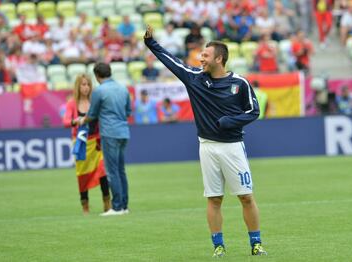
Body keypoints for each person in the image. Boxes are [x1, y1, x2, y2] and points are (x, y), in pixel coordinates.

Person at [144, 25, 267, 257]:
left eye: (206, 55)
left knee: (246, 197)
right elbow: (172, 62)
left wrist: (230, 121)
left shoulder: (240, 83)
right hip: (207, 147)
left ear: (219, 59)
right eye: (201, 54)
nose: (201, 58)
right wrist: (151, 44)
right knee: (214, 199)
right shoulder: (195, 79)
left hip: (233, 147)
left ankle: (256, 243)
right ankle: (218, 245)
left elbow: (253, 111)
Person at [78, 63, 132, 216]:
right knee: (121, 170)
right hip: (124, 132)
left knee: (112, 171)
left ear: (96, 75)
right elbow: (128, 111)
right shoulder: (123, 89)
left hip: (109, 133)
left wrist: (82, 121)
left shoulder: (99, 91)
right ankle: (124, 206)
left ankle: (116, 207)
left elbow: (92, 114)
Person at [62, 74, 110, 215]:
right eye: (83, 84)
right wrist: (75, 121)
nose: (86, 88)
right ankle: (85, 207)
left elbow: (102, 118)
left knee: (102, 172)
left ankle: (107, 204)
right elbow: (65, 122)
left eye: (88, 84)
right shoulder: (72, 103)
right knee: (82, 175)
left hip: (96, 141)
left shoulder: (95, 101)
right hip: (81, 143)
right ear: (78, 86)